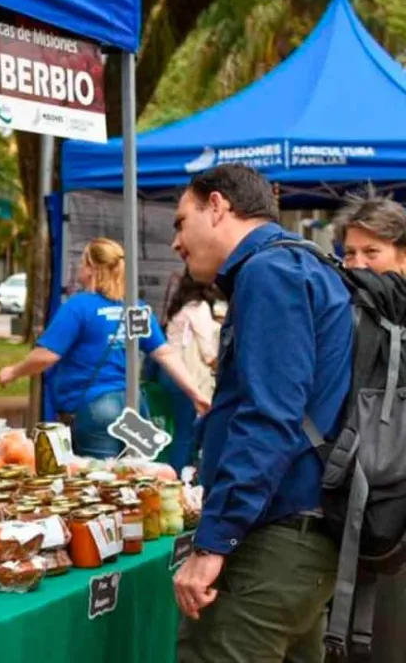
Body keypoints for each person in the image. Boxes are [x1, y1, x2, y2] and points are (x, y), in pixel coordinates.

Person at [171, 164, 352, 663]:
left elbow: (269, 418)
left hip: (277, 536)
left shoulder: (269, 272)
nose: (176, 244)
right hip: (301, 537)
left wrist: (211, 547)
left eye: (180, 222)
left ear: (217, 206)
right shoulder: (304, 264)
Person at [0, 238, 210, 459]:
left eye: (82, 263)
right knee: (136, 476)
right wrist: (195, 393)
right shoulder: (135, 309)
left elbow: (47, 355)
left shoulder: (78, 307)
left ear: (92, 269)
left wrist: (13, 372)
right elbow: (164, 353)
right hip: (134, 407)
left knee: (101, 483)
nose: (79, 268)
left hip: (96, 409)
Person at [332, 193, 406, 663]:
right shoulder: (343, 312)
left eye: (371, 252)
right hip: (355, 506)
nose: (357, 264)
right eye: (350, 253)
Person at [158, 272, 224, 474]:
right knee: (186, 432)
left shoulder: (179, 307)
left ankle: (176, 472)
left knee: (179, 427)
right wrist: (218, 366)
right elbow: (207, 349)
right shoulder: (199, 308)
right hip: (185, 375)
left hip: (168, 373)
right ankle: (178, 476)